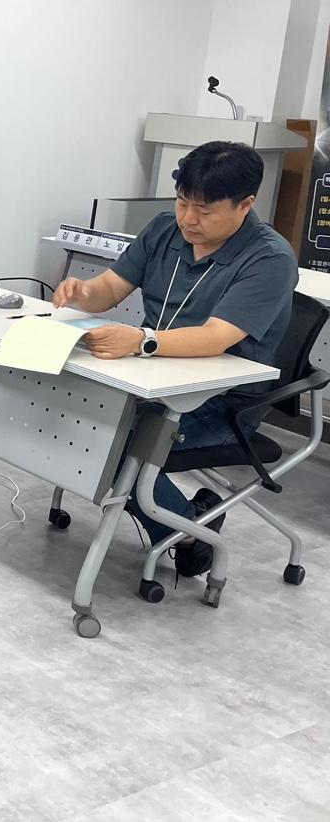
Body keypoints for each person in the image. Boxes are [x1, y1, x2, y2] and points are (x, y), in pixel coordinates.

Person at [52, 140, 296, 577]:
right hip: (149, 377)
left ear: (245, 205)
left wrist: (141, 341)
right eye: (182, 203)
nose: (188, 219)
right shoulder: (165, 229)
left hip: (222, 402)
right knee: (72, 409)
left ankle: (188, 536)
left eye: (204, 210)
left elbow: (216, 337)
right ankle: (189, 519)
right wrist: (84, 292)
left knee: (114, 441)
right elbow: (109, 289)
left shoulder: (269, 258)